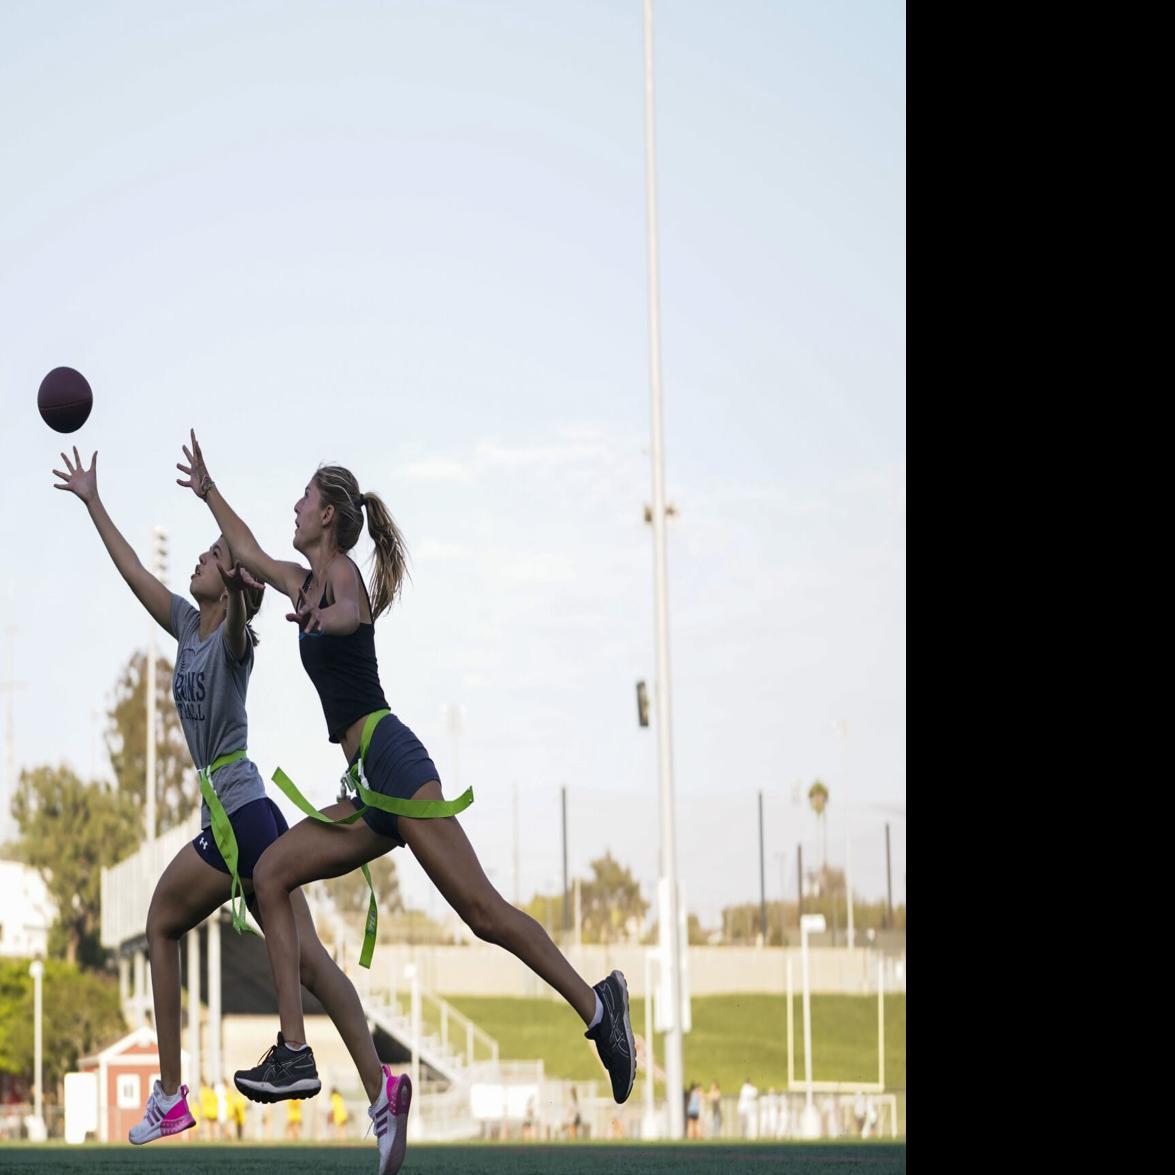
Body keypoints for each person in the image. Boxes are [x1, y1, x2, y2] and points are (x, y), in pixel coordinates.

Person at [176, 434, 637, 1113]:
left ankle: (599, 1005)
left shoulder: (339, 577)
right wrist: (209, 489)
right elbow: (244, 550)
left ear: (328, 513)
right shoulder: (301, 579)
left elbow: (346, 615)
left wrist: (318, 616)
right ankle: (295, 1052)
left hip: (395, 759)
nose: (295, 507)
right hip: (365, 788)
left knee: (482, 911)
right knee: (271, 872)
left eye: (305, 497)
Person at [53, 449, 403, 1173]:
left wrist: (243, 575)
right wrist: (93, 502)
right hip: (245, 815)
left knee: (159, 921)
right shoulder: (187, 625)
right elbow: (133, 575)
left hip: (240, 816)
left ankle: (174, 1092)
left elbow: (246, 595)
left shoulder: (233, 636)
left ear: (229, 581)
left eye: (210, 556)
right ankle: (383, 1090)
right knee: (311, 965)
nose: (200, 561)